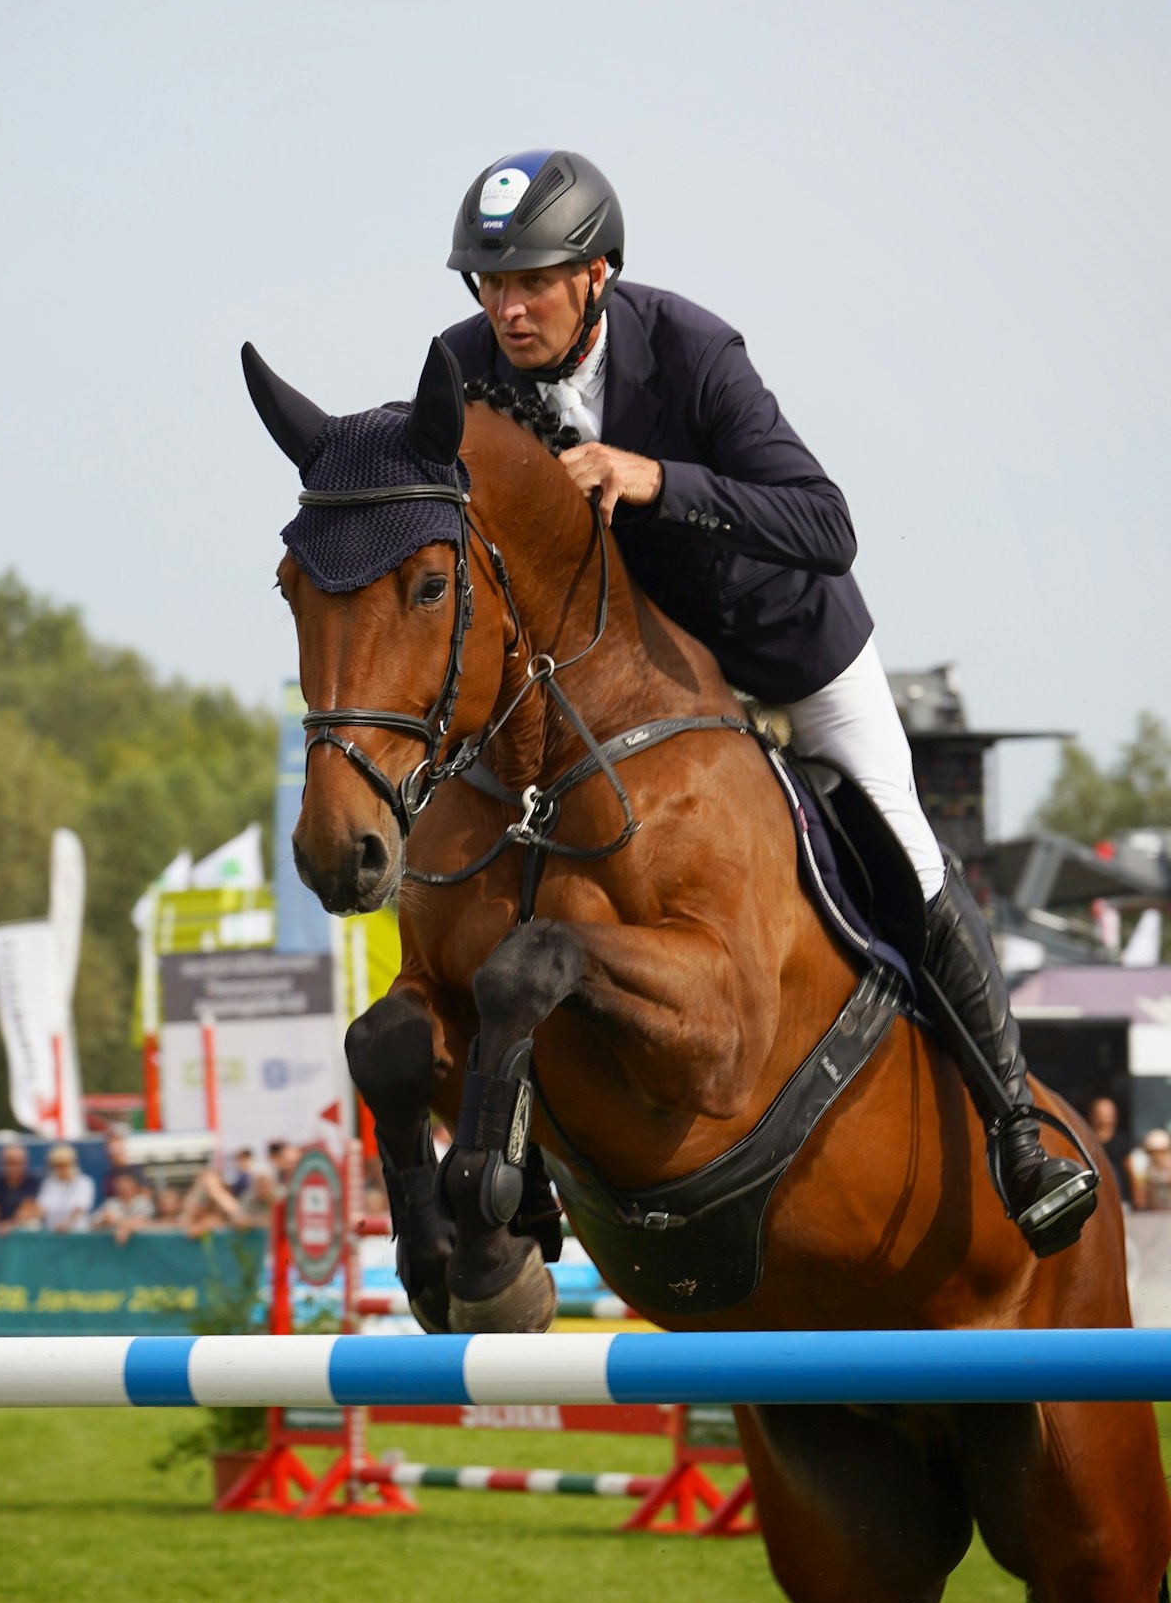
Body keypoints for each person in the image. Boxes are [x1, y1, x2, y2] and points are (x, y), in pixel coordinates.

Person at [442, 148, 1098, 1259]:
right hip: (636, 685)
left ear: (599, 274)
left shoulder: (692, 350)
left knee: (902, 849)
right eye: (489, 286)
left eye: (532, 282)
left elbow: (825, 523)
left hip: (789, 655)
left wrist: (655, 478)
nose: (506, 309)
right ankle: (523, 1157)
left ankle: (1017, 1129)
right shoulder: (462, 370)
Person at [0, 1142, 41, 1236]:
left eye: (15, 1163)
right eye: (7, 1163)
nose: (11, 1168)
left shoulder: (33, 1182)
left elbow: (30, 1208)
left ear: (24, 1163)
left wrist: (10, 1224)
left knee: (32, 1223)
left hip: (21, 1233)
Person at [1086, 1095, 1134, 1206]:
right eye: (1101, 1112)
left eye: (1108, 1112)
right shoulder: (1085, 1140)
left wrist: (1137, 1200)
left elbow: (1130, 1169)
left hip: (1120, 1200)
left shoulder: (1122, 1141)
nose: (1105, 1116)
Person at [36, 1144, 96, 1233]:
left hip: (77, 1234)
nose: (61, 1169)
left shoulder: (84, 1183)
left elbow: (80, 1207)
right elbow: (41, 1208)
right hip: (52, 1233)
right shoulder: (48, 1184)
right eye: (57, 1165)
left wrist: (67, 1224)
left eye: (64, 1164)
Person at [91, 1167, 155, 1246]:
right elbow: (95, 1222)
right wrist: (103, 1220)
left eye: (126, 1183)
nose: (123, 1187)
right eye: (119, 1184)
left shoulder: (143, 1202)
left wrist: (117, 1222)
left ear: (134, 1185)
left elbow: (141, 1222)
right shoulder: (110, 1203)